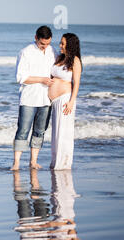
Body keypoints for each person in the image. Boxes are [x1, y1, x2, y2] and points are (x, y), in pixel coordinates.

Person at [11, 26, 57, 171]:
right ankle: (16, 163)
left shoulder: (51, 51)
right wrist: (42, 79)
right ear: (36, 37)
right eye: (42, 43)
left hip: (46, 98)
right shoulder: (26, 52)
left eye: (48, 43)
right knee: (23, 130)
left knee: (40, 131)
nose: (45, 46)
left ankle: (33, 161)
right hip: (29, 98)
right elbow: (21, 78)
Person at [49, 33, 82, 170]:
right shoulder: (59, 58)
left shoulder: (75, 61)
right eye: (60, 43)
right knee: (55, 134)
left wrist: (71, 101)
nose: (60, 46)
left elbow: (77, 83)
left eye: (63, 43)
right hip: (55, 101)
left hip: (65, 100)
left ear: (70, 45)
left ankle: (63, 165)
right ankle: (56, 162)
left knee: (63, 133)